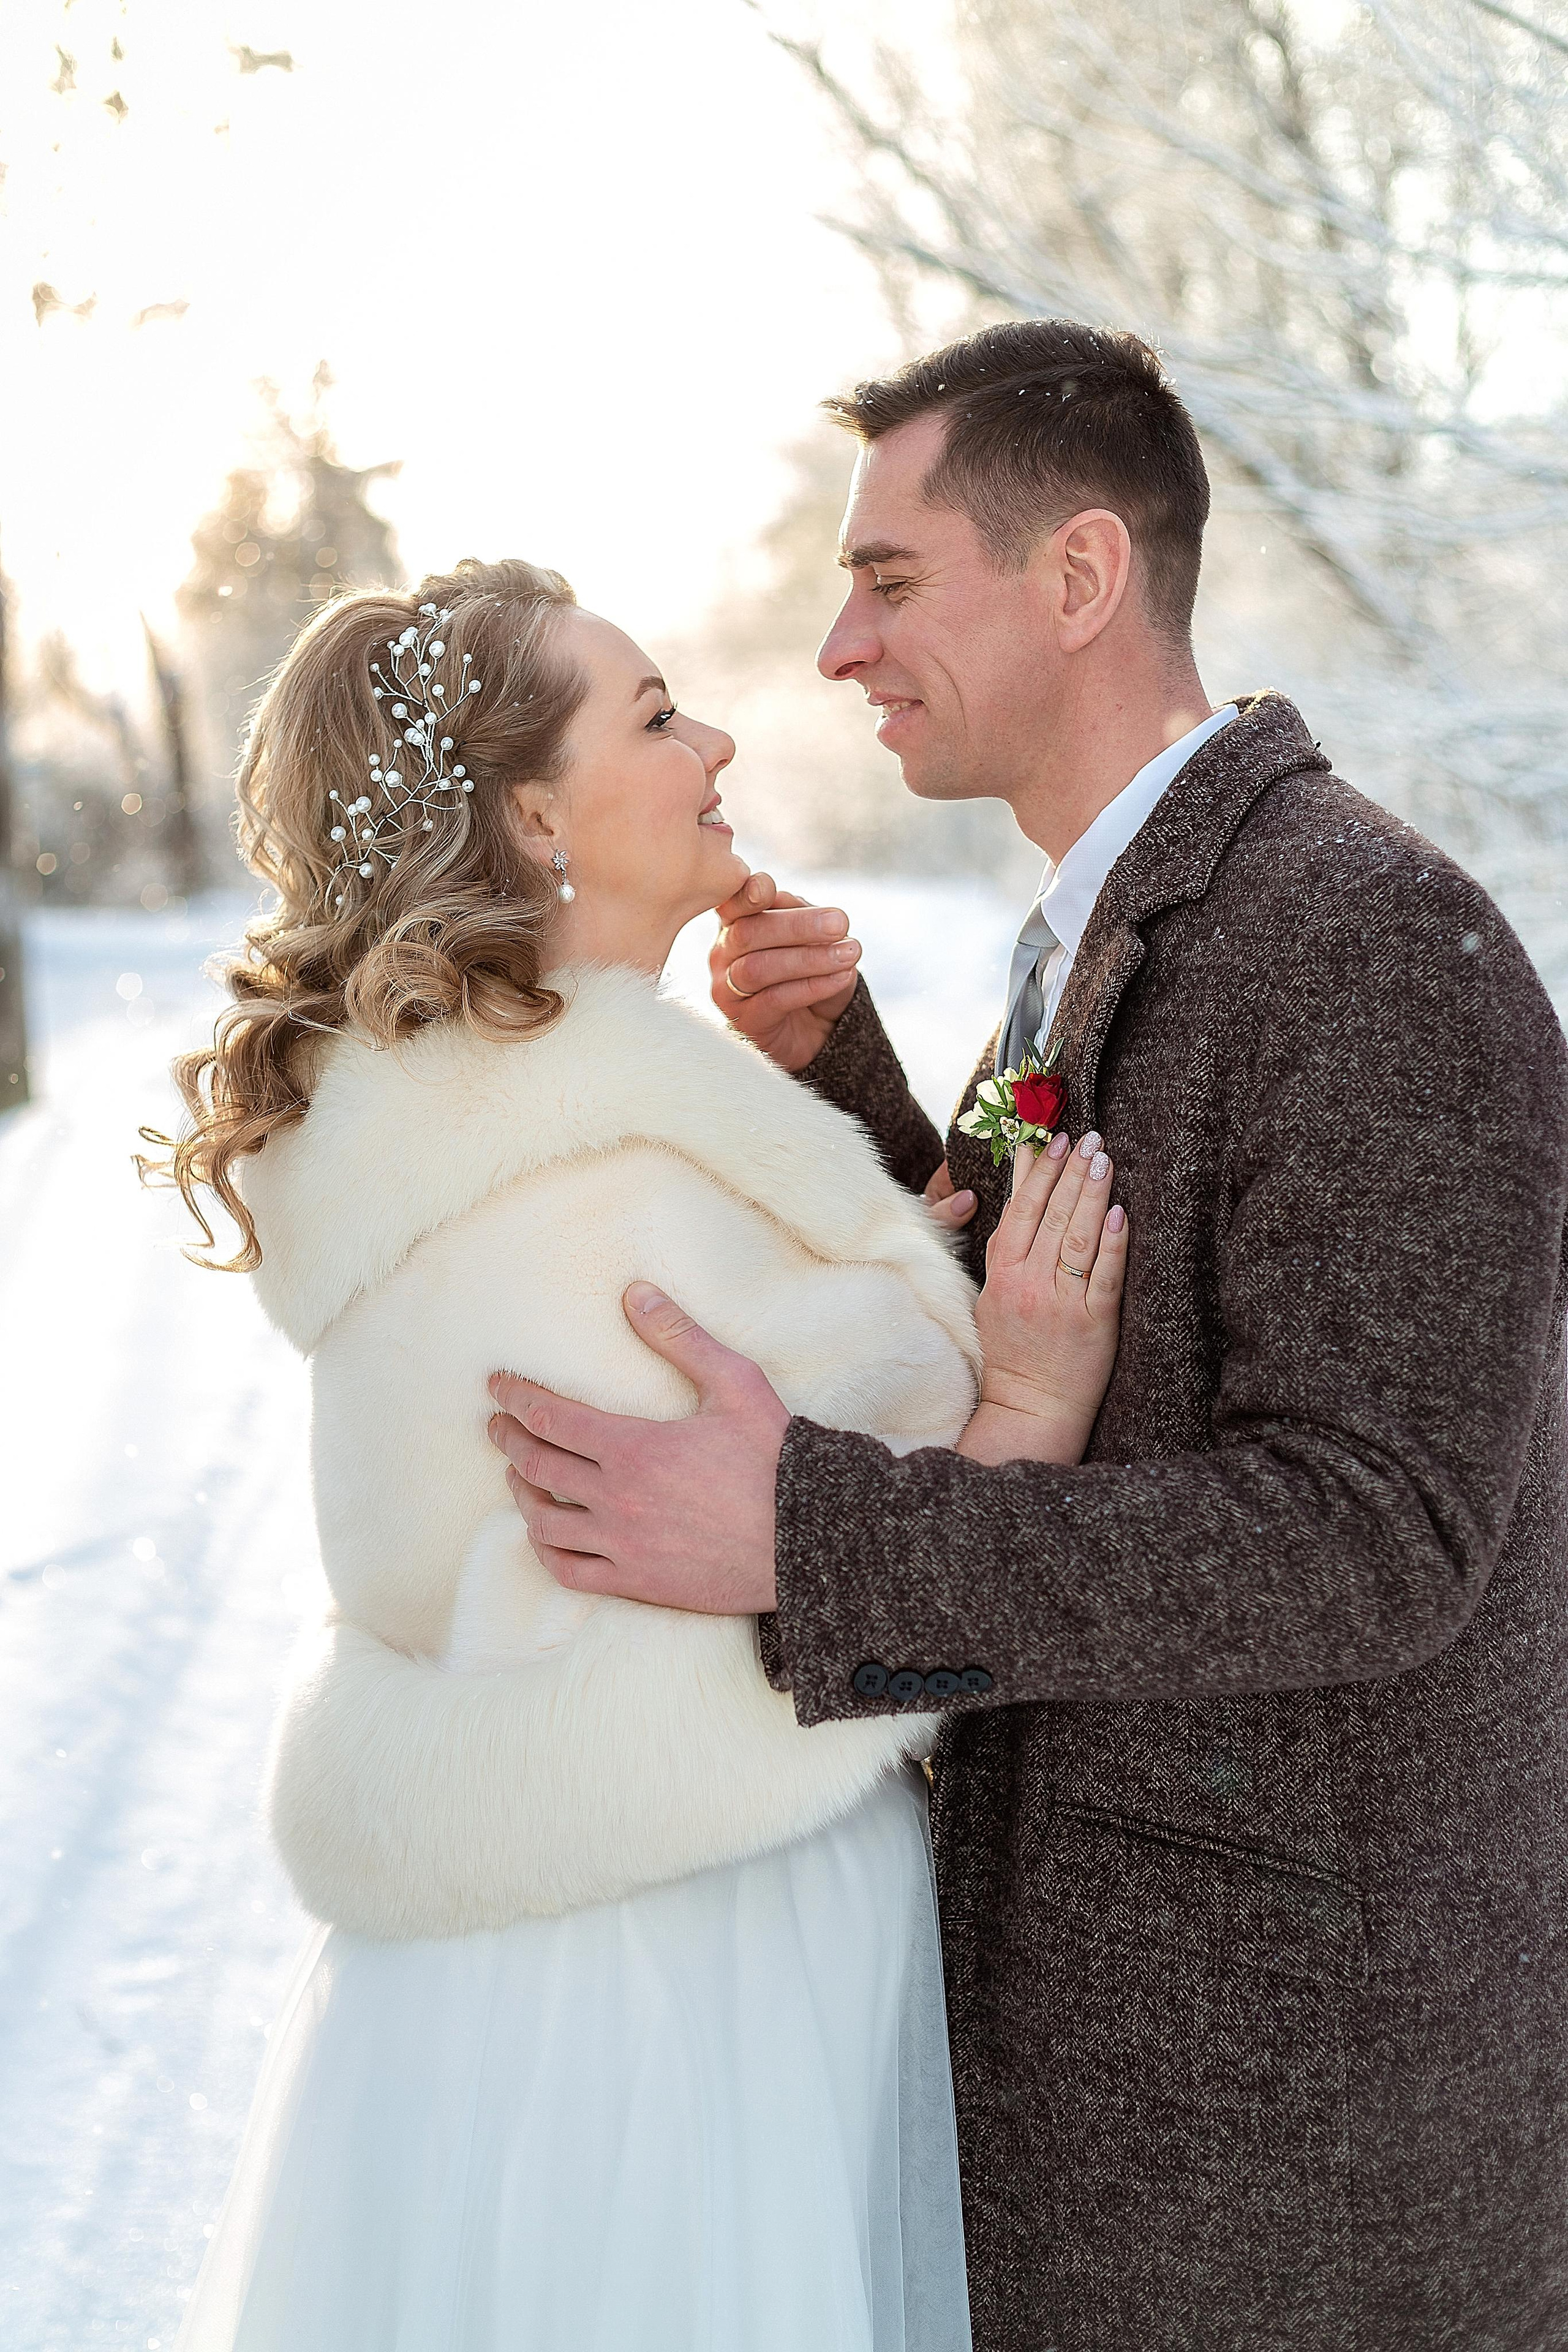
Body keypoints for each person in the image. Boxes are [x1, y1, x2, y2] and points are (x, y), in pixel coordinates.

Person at [486, 323, 1568, 2351]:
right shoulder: (1123, 922)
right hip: (1121, 2101)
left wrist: (811, 1544)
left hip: (1294, 2153)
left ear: (1078, 579)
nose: (833, 651)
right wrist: (856, 1093)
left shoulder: (1371, 944)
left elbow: (1376, 1533)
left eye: (888, 581)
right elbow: (1051, 1315)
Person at [147, 555, 1128, 2352]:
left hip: (548, 1997)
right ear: (534, 815)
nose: (722, 738)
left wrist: (825, 1117)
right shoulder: (598, 1204)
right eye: (660, 715)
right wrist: (1034, 1401)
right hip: (675, 2023)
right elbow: (810, 1623)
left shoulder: (476, 1139)